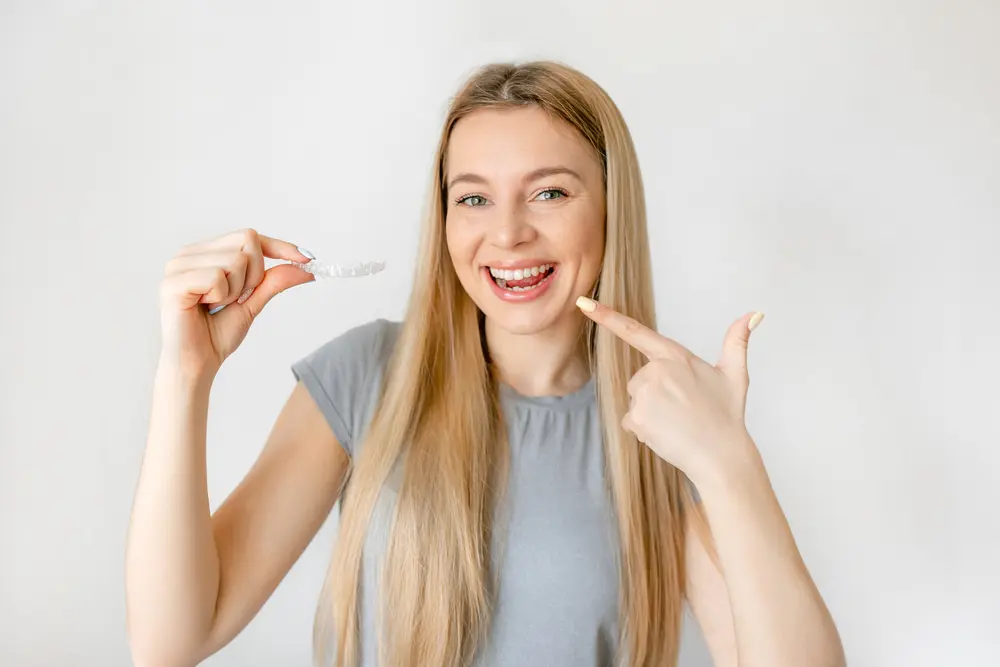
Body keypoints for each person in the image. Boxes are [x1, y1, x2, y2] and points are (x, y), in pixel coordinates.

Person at [125, 61, 845, 667]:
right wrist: (184, 376)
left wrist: (729, 462)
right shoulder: (365, 376)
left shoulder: (663, 425)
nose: (508, 232)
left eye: (550, 192)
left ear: (610, 208)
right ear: (444, 222)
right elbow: (171, 640)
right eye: (473, 198)